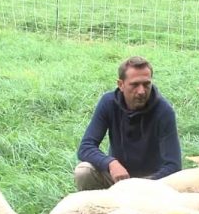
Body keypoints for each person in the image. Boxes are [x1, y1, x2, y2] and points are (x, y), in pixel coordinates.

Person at [74, 56, 182, 191]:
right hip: (117, 177)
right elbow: (86, 147)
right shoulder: (108, 103)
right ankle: (96, 211)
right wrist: (111, 163)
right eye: (135, 85)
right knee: (84, 171)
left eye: (146, 84)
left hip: (151, 184)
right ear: (121, 85)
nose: (142, 91)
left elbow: (174, 166)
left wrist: (138, 186)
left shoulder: (164, 111)